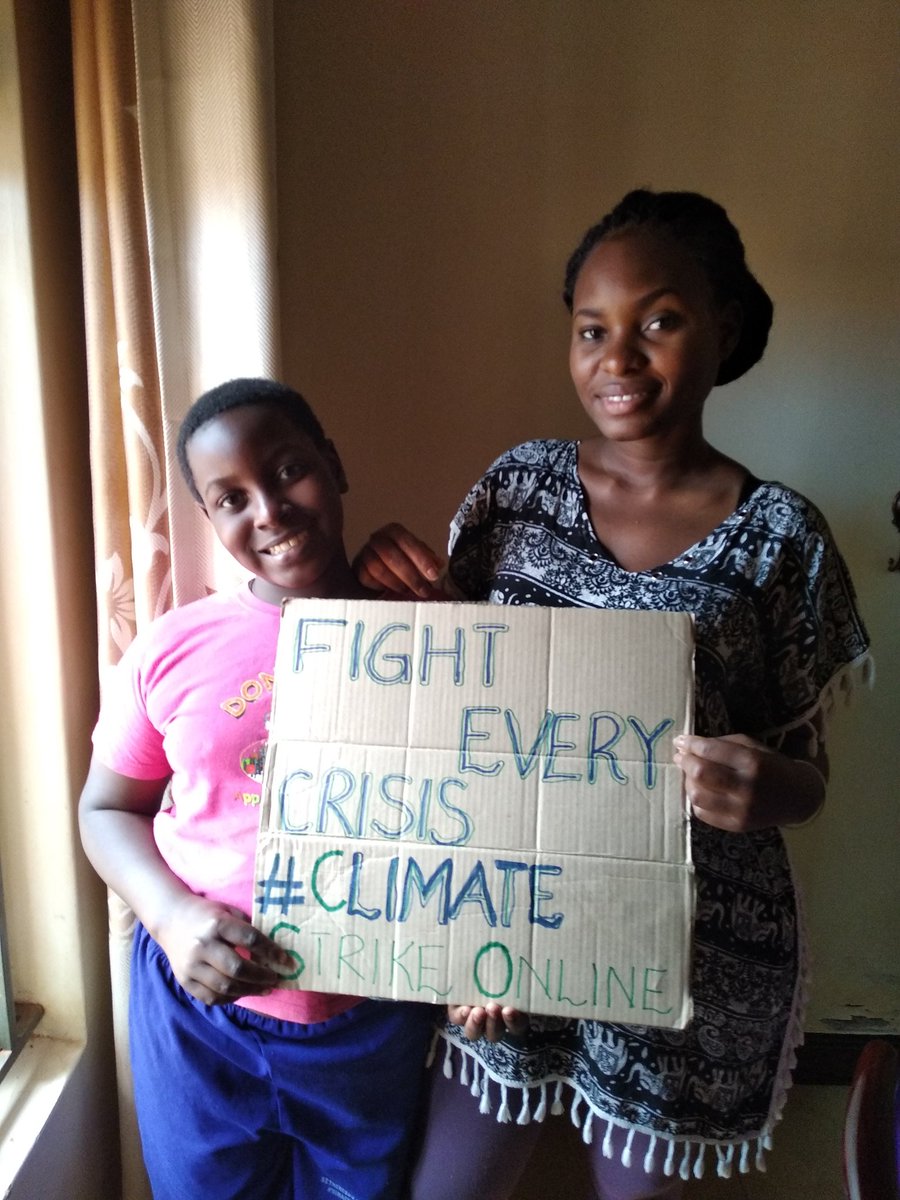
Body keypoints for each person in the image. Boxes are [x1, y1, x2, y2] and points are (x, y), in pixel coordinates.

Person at [355, 189, 872, 1200]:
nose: (618, 357)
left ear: (725, 328)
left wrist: (771, 788)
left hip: (682, 956)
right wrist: (379, 580)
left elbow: (807, 770)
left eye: (659, 321)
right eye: (592, 329)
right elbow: (445, 687)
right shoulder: (519, 490)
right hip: (507, 927)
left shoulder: (782, 538)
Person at [79, 378, 435, 1200]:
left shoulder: (434, 636)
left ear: (334, 465)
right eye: (231, 498)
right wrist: (169, 916)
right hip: (198, 1018)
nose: (269, 511)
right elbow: (105, 808)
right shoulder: (173, 649)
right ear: (209, 520)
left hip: (372, 1020)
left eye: (287, 470)